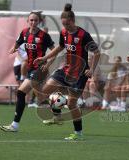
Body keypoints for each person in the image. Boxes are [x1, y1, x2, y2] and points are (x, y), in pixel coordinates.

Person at [33, 4, 100, 140]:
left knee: (71, 104)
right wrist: (45, 58)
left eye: (67, 24)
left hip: (79, 74)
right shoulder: (63, 33)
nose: (65, 27)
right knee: (45, 91)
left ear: (73, 20)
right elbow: (60, 47)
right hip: (66, 69)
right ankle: (57, 116)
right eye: (63, 24)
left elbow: (97, 52)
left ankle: (78, 134)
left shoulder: (83, 35)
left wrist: (91, 69)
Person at [0, 11, 55, 132]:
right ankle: (55, 111)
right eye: (31, 20)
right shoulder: (24, 32)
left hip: (40, 69)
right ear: (28, 21)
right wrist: (13, 48)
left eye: (36, 20)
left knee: (21, 92)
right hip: (31, 67)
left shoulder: (44, 36)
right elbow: (18, 42)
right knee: (40, 94)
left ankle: (15, 125)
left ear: (39, 22)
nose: (33, 22)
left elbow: (54, 52)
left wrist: (48, 63)